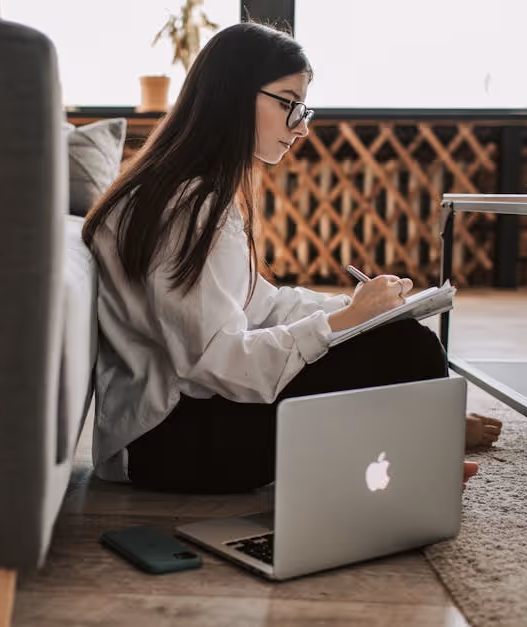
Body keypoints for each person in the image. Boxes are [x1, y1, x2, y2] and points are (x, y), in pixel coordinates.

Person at [81, 22, 498, 495]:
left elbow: (260, 306)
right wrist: (343, 324)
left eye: (303, 108)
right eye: (288, 103)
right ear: (234, 94)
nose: (301, 126)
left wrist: (355, 309)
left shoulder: (194, 190)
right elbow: (221, 361)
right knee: (407, 348)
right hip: (170, 442)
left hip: (182, 421)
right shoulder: (189, 208)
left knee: (392, 335)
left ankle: (424, 437)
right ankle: (426, 448)